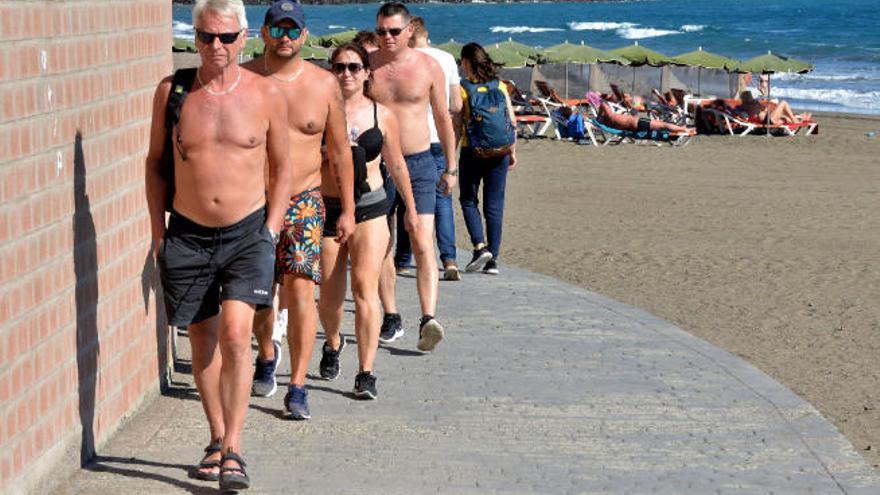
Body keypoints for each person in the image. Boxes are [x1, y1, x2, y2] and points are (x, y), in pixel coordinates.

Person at [145, 0, 291, 489]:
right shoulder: (173, 91)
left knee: (235, 335)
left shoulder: (265, 93)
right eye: (207, 36)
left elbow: (283, 168)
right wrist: (158, 233)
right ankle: (214, 438)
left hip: (248, 233)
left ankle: (234, 447)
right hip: (187, 232)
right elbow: (153, 163)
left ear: (244, 37)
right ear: (195, 35)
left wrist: (270, 228)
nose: (216, 47)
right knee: (202, 340)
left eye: (227, 38)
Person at [241, 0, 355, 420]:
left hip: (305, 201)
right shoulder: (245, 78)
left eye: (294, 30)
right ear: (264, 32)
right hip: (252, 201)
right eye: (278, 29)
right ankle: (267, 354)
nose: (285, 37)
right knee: (256, 297)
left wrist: (347, 209)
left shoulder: (324, 84)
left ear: (304, 36)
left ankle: (299, 384)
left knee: (302, 292)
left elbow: (340, 151)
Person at [317, 43, 420, 399]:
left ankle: (366, 371)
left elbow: (397, 164)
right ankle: (333, 342)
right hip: (329, 209)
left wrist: (411, 210)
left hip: (372, 209)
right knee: (328, 300)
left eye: (354, 67)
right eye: (340, 67)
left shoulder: (382, 115)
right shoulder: (319, 113)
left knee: (365, 291)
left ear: (366, 72)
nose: (346, 74)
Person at [369, 2, 458, 352]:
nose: (387, 38)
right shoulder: (368, 66)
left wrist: (451, 167)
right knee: (381, 245)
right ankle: (391, 314)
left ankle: (428, 318)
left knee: (422, 240)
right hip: (377, 165)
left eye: (393, 31)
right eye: (381, 31)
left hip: (420, 162)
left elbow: (444, 118)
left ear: (409, 31)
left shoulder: (428, 66)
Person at [393, 15, 463, 282]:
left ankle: (402, 259)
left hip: (413, 139)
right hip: (439, 138)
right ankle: (449, 258)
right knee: (442, 199)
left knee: (404, 199)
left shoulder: (406, 60)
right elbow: (455, 105)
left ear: (409, 33)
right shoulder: (446, 59)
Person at [454, 43, 518, 276]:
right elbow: (512, 121)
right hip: (500, 151)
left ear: (466, 62)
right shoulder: (499, 85)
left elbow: (457, 125)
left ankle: (480, 246)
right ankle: (494, 261)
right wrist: (512, 151)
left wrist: (451, 158)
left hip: (472, 151)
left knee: (469, 200)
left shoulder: (463, 89)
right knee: (495, 206)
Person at [586, 91, 690, 134]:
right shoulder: (610, 115)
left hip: (633, 124)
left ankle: (683, 129)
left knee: (663, 126)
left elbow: (601, 114)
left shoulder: (610, 119)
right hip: (636, 122)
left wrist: (598, 119)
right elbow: (604, 109)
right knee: (664, 125)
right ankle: (684, 130)